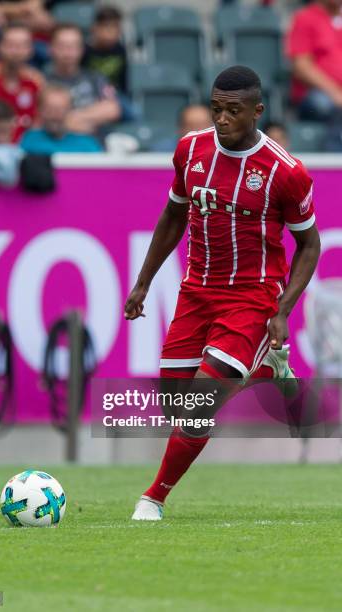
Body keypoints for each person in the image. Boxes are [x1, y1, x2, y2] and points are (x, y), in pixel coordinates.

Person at [124, 65, 321, 521]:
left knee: (198, 407)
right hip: (196, 291)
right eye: (216, 109)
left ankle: (152, 498)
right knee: (178, 404)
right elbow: (173, 215)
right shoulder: (189, 150)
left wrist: (283, 310)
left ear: (257, 110)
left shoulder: (286, 172)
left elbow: (309, 244)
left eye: (233, 110)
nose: (222, 119)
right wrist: (144, 280)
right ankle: (266, 371)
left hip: (252, 297)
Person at [44, 23, 121, 134]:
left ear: (81, 49)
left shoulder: (95, 77)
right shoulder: (42, 80)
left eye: (73, 46)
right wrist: (90, 119)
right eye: (62, 46)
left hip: (92, 146)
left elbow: (112, 109)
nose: (68, 52)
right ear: (51, 48)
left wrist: (71, 118)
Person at [285, 0, 342, 121]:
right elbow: (301, 67)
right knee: (324, 104)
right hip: (316, 93)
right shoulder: (306, 18)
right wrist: (335, 92)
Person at [20, 84, 103, 153]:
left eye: (61, 110)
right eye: (50, 110)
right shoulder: (30, 141)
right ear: (40, 110)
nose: (55, 116)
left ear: (70, 110)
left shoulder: (87, 145)